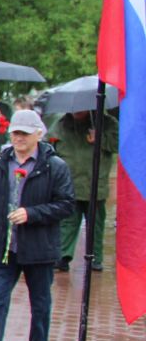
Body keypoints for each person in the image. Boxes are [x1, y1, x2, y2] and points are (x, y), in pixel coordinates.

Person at [0, 109, 75, 341]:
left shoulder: (54, 166)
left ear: (38, 135)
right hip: (4, 249)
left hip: (39, 249)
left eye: (25, 133)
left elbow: (66, 205)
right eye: (15, 132)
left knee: (40, 304)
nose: (19, 138)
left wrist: (32, 213)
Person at [47, 107, 116, 272]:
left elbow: (119, 144)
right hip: (69, 184)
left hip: (95, 184)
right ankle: (62, 256)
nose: (77, 111)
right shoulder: (61, 124)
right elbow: (48, 145)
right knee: (67, 222)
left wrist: (100, 138)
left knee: (95, 224)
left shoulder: (107, 123)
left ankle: (95, 258)